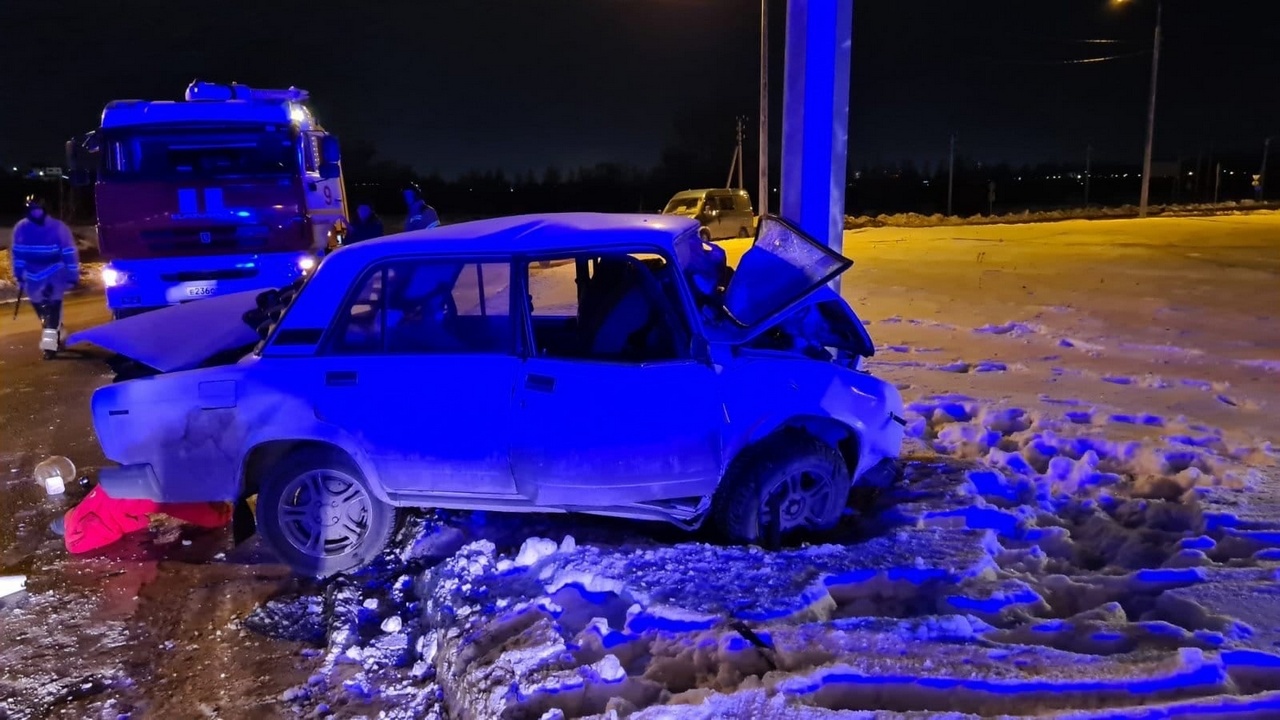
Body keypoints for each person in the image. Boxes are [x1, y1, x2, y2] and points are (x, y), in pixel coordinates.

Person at [49, 484, 233, 554]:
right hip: (92, 523)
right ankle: (67, 524)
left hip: (106, 501)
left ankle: (66, 523)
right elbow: (205, 515)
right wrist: (227, 513)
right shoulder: (164, 490)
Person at [10, 195, 79, 359]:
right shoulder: (21, 228)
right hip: (32, 277)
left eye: (39, 210)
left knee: (52, 311)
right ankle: (58, 332)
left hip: (54, 273)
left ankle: (49, 347)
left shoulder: (58, 227)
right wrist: (18, 274)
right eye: (33, 210)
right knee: (43, 313)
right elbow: (17, 254)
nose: (36, 213)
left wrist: (72, 275)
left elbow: (69, 252)